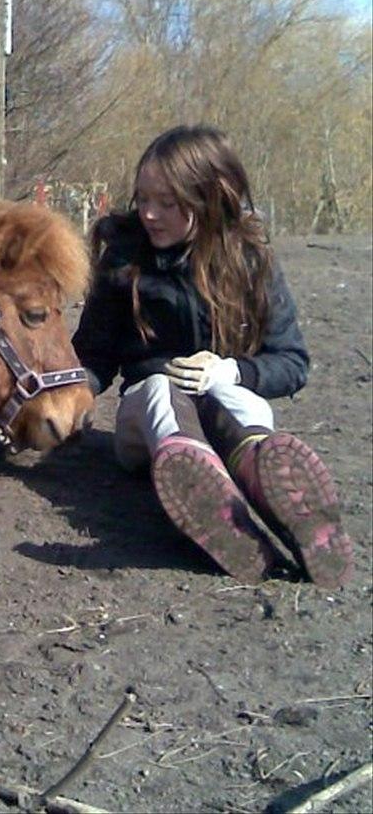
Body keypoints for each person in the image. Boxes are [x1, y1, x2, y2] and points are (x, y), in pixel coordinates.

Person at [72, 124, 353, 588]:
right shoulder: (123, 257)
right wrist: (71, 396)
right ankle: (208, 487)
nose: (148, 214)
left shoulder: (250, 260)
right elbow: (94, 354)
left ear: (209, 197)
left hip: (226, 402)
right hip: (145, 428)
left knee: (232, 395)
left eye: (167, 203)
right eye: (143, 199)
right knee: (162, 388)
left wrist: (232, 369)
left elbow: (291, 362)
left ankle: (272, 491)